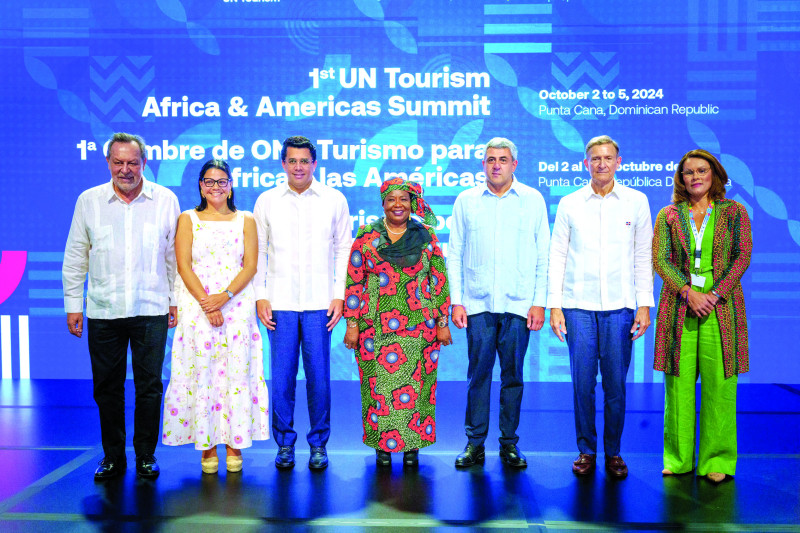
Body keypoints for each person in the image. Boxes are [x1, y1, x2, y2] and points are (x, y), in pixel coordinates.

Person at [63, 132, 180, 480]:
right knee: (107, 387)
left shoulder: (165, 200)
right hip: (103, 310)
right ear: (108, 163)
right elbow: (75, 257)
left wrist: (175, 301)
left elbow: (174, 257)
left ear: (144, 162)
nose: (125, 170)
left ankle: (146, 454)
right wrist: (73, 304)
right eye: (118, 162)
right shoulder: (89, 201)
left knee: (149, 386)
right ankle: (113, 456)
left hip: (151, 308)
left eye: (132, 162)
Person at [548, 135, 653, 479]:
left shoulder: (636, 202)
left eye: (608, 158)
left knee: (615, 386)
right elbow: (558, 256)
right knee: (581, 384)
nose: (602, 164)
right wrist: (554, 305)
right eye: (595, 158)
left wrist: (644, 305)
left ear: (619, 162)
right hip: (577, 307)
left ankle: (614, 452)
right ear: (586, 164)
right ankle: (586, 450)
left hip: (621, 309)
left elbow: (643, 257)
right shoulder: (570, 203)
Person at [162, 159, 270, 474]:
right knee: (202, 372)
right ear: (200, 186)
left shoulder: (246, 219)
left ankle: (234, 442)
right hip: (197, 308)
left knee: (236, 373)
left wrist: (224, 297)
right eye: (209, 181)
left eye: (222, 181)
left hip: (236, 308)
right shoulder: (188, 218)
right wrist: (207, 303)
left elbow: (250, 265)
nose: (216, 187)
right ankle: (207, 446)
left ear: (231, 185)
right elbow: (183, 265)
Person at [448, 137, 550, 469]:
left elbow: (543, 255)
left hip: (519, 305)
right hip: (477, 304)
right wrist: (456, 301)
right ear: (483, 165)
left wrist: (539, 302)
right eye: (490, 159)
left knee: (513, 376)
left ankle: (509, 444)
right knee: (478, 376)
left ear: (514, 165)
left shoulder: (532, 200)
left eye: (503, 160)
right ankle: (474, 444)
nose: (496, 165)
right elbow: (455, 252)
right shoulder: (467, 200)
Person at [653, 149, 751, 483]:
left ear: (715, 175)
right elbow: (661, 259)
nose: (695, 177)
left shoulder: (734, 212)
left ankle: (717, 460)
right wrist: (687, 291)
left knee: (720, 385)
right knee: (677, 385)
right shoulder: (668, 214)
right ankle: (678, 459)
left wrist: (714, 293)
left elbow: (742, 257)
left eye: (702, 170)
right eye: (688, 172)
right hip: (679, 306)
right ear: (681, 178)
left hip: (721, 308)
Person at [253, 136, 351, 470]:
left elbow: (343, 250)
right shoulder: (267, 201)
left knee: (319, 379)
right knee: (280, 380)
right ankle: (284, 444)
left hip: (319, 304)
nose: (298, 167)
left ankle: (319, 444)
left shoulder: (334, 199)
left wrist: (339, 294)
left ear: (315, 163)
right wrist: (260, 295)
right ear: (283, 164)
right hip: (278, 302)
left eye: (304, 161)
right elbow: (258, 251)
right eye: (292, 161)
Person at [343, 178, 452, 467]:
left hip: (420, 325)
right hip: (374, 327)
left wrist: (443, 321)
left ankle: (412, 446)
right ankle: (382, 445)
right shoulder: (367, 236)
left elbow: (438, 280)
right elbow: (354, 282)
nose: (398, 205)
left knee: (417, 386)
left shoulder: (426, 236)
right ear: (383, 204)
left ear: (411, 203)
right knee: (376, 385)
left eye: (403, 199)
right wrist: (351, 325)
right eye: (391, 199)